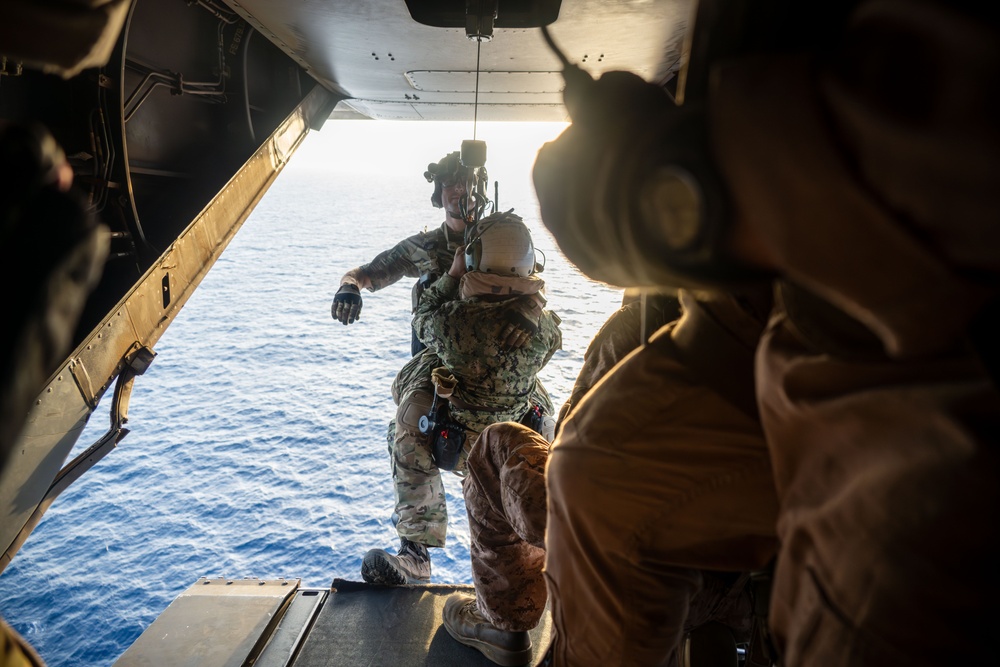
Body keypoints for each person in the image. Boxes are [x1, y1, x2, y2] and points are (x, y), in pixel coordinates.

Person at [532, 2, 1000, 664]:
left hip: (917, 347)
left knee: (861, 613)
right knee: (596, 482)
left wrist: (678, 194)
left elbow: (958, 130)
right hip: (782, 307)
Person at [445, 287, 776, 667]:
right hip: (758, 585)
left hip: (632, 573)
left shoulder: (643, 324)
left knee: (498, 444)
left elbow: (577, 459)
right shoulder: (814, 330)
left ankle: (504, 625)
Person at [361, 212, 562, 587]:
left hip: (455, 439)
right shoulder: (543, 328)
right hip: (515, 436)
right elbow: (552, 338)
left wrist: (452, 276)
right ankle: (546, 546)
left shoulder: (455, 323)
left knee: (405, 422)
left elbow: (422, 319)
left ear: (473, 260)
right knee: (546, 408)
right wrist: (530, 308)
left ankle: (416, 552)